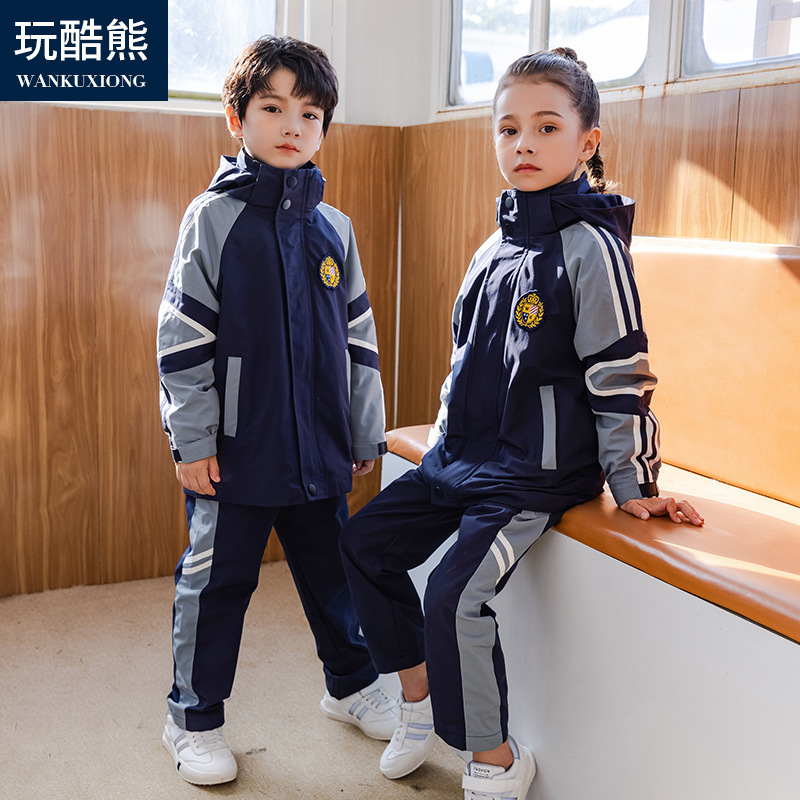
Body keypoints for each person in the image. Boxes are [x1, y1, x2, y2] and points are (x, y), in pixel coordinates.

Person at [339, 48, 704, 800]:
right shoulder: (494, 245)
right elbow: (465, 359)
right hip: (461, 459)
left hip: (533, 474)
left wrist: (633, 481)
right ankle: (416, 695)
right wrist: (442, 444)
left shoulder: (594, 249)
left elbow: (620, 370)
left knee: (452, 595)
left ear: (587, 141)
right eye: (508, 129)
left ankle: (496, 759)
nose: (524, 144)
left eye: (546, 127)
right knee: (364, 545)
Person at [156, 35, 395, 786]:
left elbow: (359, 339)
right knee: (217, 581)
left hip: (319, 447)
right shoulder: (213, 219)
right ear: (237, 119)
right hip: (235, 451)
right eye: (273, 108)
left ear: (324, 127)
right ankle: (192, 718)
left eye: (310, 113)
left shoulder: (335, 228)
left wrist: (364, 430)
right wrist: (193, 440)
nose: (292, 125)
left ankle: (351, 686)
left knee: (334, 574)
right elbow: (182, 337)